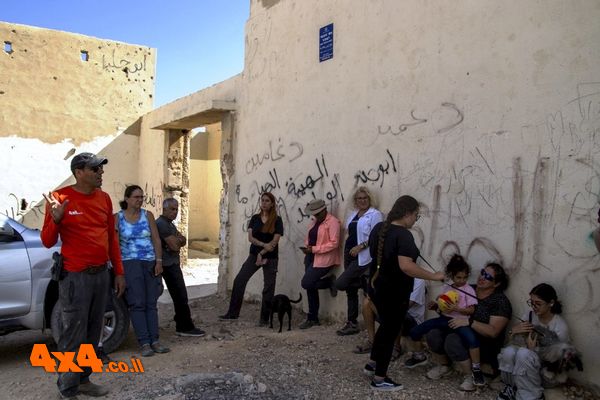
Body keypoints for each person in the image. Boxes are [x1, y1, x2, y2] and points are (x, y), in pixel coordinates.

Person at [41, 152, 126, 399]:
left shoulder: (104, 198)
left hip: (101, 275)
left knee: (92, 332)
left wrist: (118, 272)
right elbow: (47, 241)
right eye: (95, 169)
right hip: (75, 278)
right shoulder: (60, 198)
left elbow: (111, 237)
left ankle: (84, 380)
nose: (101, 173)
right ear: (79, 172)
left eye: (101, 169)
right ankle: (67, 389)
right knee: (72, 335)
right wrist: (55, 219)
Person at [362, 195, 444, 391]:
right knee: (390, 333)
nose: (416, 219)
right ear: (407, 213)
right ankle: (380, 379)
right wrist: (434, 276)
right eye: (416, 215)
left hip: (376, 288)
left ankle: (372, 364)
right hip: (394, 293)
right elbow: (406, 267)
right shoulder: (404, 235)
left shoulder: (379, 229)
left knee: (384, 329)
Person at [425, 262, 512, 392]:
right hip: (457, 329)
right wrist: (438, 308)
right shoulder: (466, 288)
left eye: (488, 277)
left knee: (452, 340)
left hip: (483, 342)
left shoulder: (500, 301)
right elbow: (450, 311)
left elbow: (493, 332)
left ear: (497, 284)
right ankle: (445, 366)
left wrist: (469, 322)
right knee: (433, 334)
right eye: (483, 273)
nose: (482, 277)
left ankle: (470, 376)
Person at [405, 254, 484, 386]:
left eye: (465, 277)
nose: (462, 280)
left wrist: (458, 309)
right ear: (452, 276)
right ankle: (420, 355)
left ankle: (476, 370)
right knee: (416, 331)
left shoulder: (468, 289)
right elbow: (443, 309)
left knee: (472, 340)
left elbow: (471, 310)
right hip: (446, 319)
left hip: (461, 322)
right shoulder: (448, 288)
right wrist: (436, 306)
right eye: (458, 277)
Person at [116, 185, 170, 357]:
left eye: (141, 197)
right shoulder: (118, 218)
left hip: (149, 262)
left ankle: (155, 340)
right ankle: (144, 342)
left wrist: (159, 261)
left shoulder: (148, 215)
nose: (139, 200)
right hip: (130, 264)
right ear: (127, 199)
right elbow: (115, 244)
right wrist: (119, 270)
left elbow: (156, 239)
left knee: (151, 303)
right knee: (137, 303)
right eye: (136, 197)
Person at [219, 192, 284, 325]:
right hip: (254, 256)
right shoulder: (255, 218)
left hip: (270, 258)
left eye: (267, 201)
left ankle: (264, 319)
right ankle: (232, 313)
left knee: (268, 287)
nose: (264, 203)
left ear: (272, 204)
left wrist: (263, 252)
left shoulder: (277, 220)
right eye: (262, 200)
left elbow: (274, 242)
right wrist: (262, 247)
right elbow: (250, 238)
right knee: (239, 280)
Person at [497, 283, 570, 400]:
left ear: (551, 303)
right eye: (532, 302)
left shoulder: (560, 326)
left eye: (538, 304)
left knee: (524, 354)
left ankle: (532, 396)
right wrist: (513, 331)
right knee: (509, 351)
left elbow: (558, 362)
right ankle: (511, 386)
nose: (534, 307)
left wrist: (534, 350)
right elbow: (511, 343)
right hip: (525, 365)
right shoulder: (529, 315)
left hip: (547, 374)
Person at [334, 187, 383, 336]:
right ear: (355, 201)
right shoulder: (353, 214)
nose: (362, 201)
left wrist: (361, 246)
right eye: (359, 198)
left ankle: (382, 324)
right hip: (350, 255)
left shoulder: (375, 214)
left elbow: (377, 236)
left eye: (365, 198)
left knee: (341, 283)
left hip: (364, 257)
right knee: (351, 289)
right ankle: (352, 322)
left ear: (370, 199)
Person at [156, 198, 206, 336]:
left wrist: (178, 240)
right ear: (164, 209)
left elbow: (182, 240)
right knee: (180, 296)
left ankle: (181, 321)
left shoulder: (169, 224)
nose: (175, 212)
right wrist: (177, 241)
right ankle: (185, 327)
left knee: (180, 295)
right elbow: (175, 245)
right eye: (172, 209)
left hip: (172, 263)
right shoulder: (162, 224)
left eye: (177, 209)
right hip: (168, 265)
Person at [353, 278, 426, 357]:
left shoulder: (419, 281)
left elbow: (405, 306)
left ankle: (396, 347)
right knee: (368, 301)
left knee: (395, 311)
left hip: (411, 321)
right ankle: (372, 342)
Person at [299, 199, 341, 329]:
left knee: (306, 283)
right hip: (311, 256)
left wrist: (314, 249)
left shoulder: (332, 222)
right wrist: (307, 249)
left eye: (317, 213)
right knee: (310, 287)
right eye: (314, 214)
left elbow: (334, 243)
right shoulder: (314, 222)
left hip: (324, 259)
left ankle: (329, 282)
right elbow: (310, 237)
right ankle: (313, 318)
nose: (315, 216)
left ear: (324, 210)